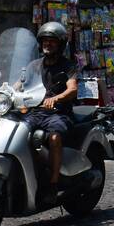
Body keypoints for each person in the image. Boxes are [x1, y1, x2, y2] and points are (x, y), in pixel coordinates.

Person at [25, 22, 78, 204]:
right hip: (35, 112)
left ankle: (54, 183)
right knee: (18, 134)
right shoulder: (34, 65)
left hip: (58, 113)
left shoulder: (68, 66)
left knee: (54, 138)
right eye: (45, 41)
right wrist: (4, 91)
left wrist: (56, 98)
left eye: (52, 42)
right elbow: (20, 84)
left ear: (60, 44)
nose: (48, 44)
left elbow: (72, 90)